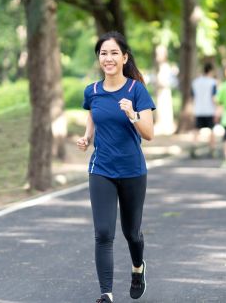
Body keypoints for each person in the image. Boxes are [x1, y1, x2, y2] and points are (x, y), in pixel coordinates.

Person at [76, 31, 155, 303]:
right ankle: (106, 294)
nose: (108, 58)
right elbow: (93, 114)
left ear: (124, 58)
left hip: (132, 170)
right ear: (99, 59)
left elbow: (149, 133)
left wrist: (132, 115)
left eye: (113, 53)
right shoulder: (93, 91)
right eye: (103, 53)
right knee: (103, 233)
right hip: (101, 169)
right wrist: (87, 136)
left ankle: (138, 268)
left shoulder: (136, 90)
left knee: (131, 233)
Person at [190, 62, 218, 158]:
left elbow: (193, 97)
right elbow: (214, 97)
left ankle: (194, 147)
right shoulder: (213, 82)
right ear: (211, 71)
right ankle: (212, 149)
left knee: (196, 130)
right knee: (212, 130)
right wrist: (217, 109)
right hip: (209, 110)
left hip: (198, 110)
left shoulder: (195, 82)